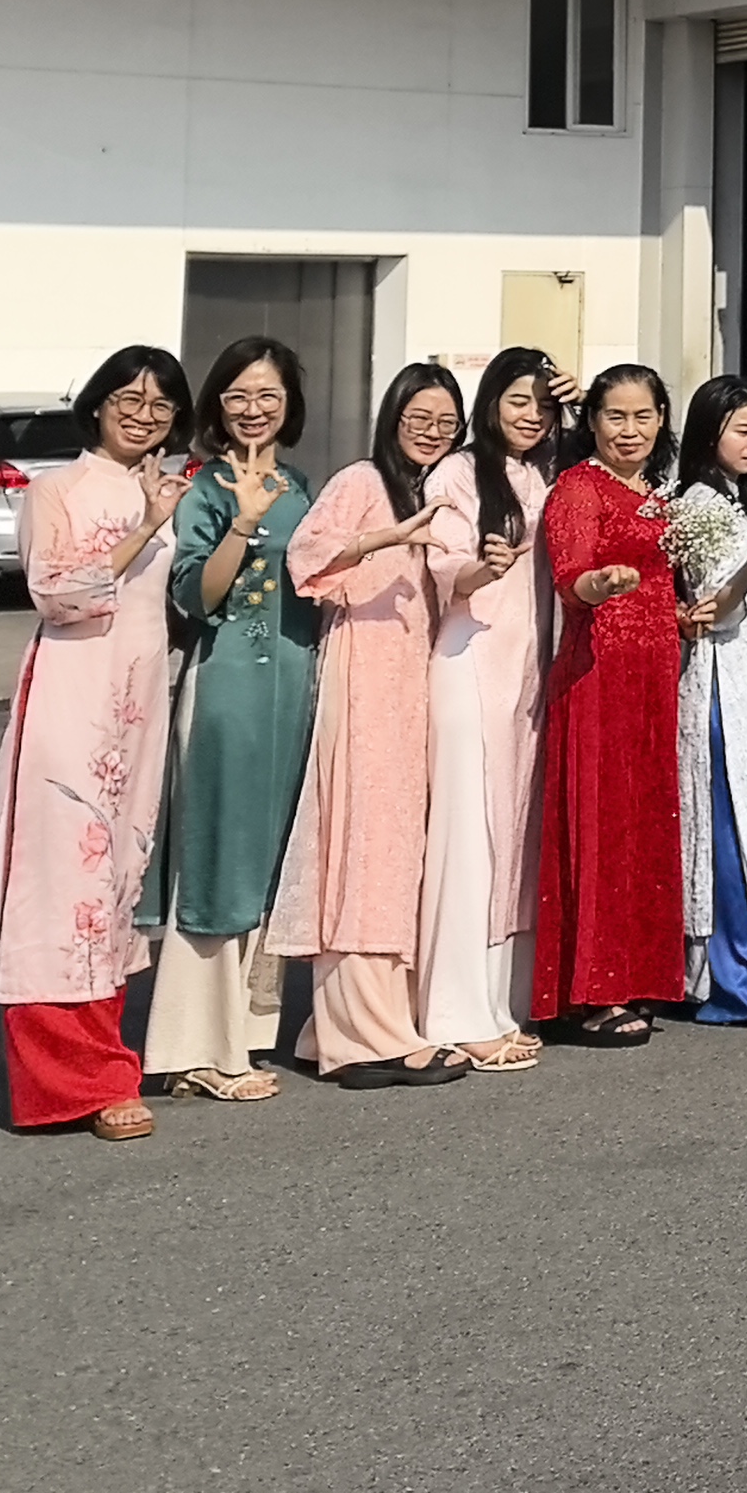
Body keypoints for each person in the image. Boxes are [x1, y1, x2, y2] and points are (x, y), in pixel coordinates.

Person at [0, 345, 189, 1138]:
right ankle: (73, 1082)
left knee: (116, 878)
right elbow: (58, 595)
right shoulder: (53, 490)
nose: (143, 415)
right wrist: (147, 525)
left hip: (137, 705)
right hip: (72, 697)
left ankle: (104, 1062)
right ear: (97, 405)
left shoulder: (163, 489)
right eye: (129, 399)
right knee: (63, 879)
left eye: (160, 404)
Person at [270, 363, 476, 1084]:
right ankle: (363, 1036)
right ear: (392, 417)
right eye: (419, 418)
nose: (431, 432)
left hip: (411, 683)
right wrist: (385, 538)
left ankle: (347, 1022)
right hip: (364, 674)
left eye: (445, 422)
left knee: (396, 849)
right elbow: (306, 556)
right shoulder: (362, 481)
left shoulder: (437, 491)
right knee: (363, 847)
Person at [142, 337, 319, 1101]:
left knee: (268, 857)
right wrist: (243, 525)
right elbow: (195, 596)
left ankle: (244, 1034)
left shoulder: (300, 484)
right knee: (218, 854)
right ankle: (191, 1048)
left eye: (268, 395)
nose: (253, 409)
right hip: (227, 689)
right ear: (216, 405)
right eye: (238, 395)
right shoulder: (206, 489)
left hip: (294, 686)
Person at [532, 364, 687, 1044]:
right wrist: (602, 583)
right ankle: (592, 990)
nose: (630, 430)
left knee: (644, 821)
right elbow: (571, 580)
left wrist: (682, 614)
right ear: (592, 420)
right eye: (616, 416)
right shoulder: (578, 487)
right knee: (602, 823)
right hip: (599, 672)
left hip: (654, 673)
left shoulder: (656, 492)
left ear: (661, 421)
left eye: (643, 416)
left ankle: (640, 974)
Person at [417, 350, 562, 1067]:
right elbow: (444, 566)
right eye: (517, 401)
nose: (531, 415)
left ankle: (498, 1002)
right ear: (490, 403)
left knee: (511, 837)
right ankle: (454, 1009)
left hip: (524, 675)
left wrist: (581, 402)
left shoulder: (543, 475)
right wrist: (482, 568)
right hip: (471, 662)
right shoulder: (457, 471)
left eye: (543, 403)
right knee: (469, 840)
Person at [664, 377, 747, 1029]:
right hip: (715, 681)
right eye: (742, 430)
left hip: (739, 681)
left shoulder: (729, 498)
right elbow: (712, 609)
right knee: (725, 829)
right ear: (708, 431)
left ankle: (744, 971)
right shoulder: (699, 503)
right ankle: (734, 981)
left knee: (740, 822)